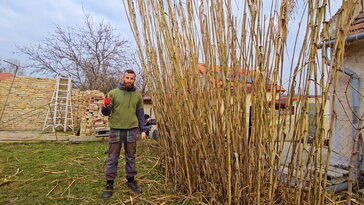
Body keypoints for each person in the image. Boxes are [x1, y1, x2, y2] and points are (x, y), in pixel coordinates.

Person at [100, 69, 146, 198]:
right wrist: (105, 107)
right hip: (116, 130)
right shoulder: (113, 93)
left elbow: (140, 114)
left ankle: (131, 181)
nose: (129, 81)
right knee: (112, 158)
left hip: (131, 130)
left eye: (132, 79)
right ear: (123, 78)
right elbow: (106, 112)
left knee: (130, 156)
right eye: (127, 78)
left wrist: (143, 129)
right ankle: (109, 184)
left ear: (134, 80)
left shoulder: (137, 95)